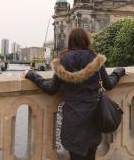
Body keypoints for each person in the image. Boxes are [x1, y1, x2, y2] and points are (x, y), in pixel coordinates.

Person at [25, 27, 125, 160]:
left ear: (70, 42)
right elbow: (109, 84)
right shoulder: (94, 59)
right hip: (92, 119)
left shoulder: (64, 60)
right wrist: (119, 71)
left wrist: (31, 74)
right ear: (86, 41)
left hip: (73, 121)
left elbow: (51, 88)